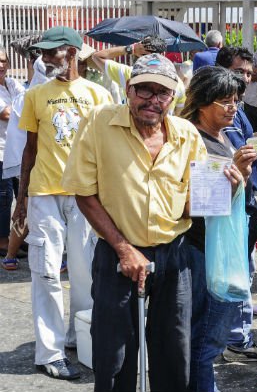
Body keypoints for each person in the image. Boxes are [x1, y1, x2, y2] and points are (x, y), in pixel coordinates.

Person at [62, 53, 205, 390]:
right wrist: (125, 250)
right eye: (144, 90)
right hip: (117, 251)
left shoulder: (186, 134)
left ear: (174, 97)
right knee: (114, 351)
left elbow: (191, 206)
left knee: (174, 348)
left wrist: (229, 183)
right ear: (128, 88)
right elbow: (84, 193)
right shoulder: (99, 122)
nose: (153, 100)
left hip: (174, 252)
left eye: (163, 93)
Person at [14, 26, 112, 380]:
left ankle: (78, 337)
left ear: (72, 52)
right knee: (46, 273)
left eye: (50, 53)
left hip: (85, 196)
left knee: (86, 273)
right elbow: (30, 149)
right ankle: (50, 351)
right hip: (44, 195)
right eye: (42, 53)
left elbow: (106, 151)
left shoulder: (98, 95)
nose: (43, 59)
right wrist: (21, 199)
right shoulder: (36, 95)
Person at [179, 66, 257, 392]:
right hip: (201, 251)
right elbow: (200, 205)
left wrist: (244, 176)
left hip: (222, 248)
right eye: (225, 101)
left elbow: (233, 190)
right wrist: (237, 173)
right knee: (205, 340)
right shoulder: (192, 139)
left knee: (209, 338)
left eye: (236, 101)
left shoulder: (224, 135)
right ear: (202, 102)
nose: (233, 108)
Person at [215, 45, 257, 362]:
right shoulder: (219, 109)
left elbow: (246, 146)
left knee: (243, 269)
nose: (246, 79)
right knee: (238, 272)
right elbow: (230, 154)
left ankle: (233, 336)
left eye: (250, 73)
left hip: (245, 202)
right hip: (231, 203)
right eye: (240, 72)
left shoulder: (236, 108)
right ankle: (237, 339)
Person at [2, 57, 47, 271]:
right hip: (30, 162)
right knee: (26, 209)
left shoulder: (21, 91)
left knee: (27, 209)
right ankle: (11, 253)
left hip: (35, 162)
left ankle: (12, 254)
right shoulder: (33, 96)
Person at [92, 35, 187, 115]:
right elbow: (179, 114)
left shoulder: (130, 73)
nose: (153, 100)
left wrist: (130, 49)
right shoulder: (177, 82)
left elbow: (97, 56)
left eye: (163, 92)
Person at [0, 46, 24, 258]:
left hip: (16, 151)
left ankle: (18, 237)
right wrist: (19, 105)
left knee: (22, 196)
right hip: (0, 152)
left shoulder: (11, 83)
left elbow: (27, 102)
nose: (0, 65)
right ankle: (3, 242)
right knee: (4, 198)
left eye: (3, 61)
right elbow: (7, 114)